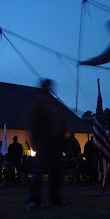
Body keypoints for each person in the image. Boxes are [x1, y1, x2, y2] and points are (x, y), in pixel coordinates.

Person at [26, 79, 68, 210]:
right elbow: (33, 125)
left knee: (57, 172)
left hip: (55, 143)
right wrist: (35, 142)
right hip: (44, 143)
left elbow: (61, 123)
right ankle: (34, 200)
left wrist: (63, 140)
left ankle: (54, 198)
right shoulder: (38, 106)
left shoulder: (54, 105)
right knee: (38, 173)